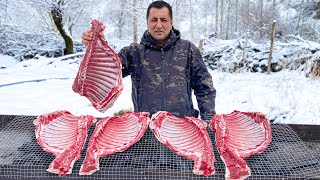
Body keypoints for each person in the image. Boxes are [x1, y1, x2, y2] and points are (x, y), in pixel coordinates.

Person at [82, 0, 216, 120]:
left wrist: (208, 120)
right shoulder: (133, 52)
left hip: (182, 127)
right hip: (146, 129)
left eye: (163, 20)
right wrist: (98, 45)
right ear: (147, 22)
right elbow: (107, 72)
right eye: (154, 20)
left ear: (171, 22)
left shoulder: (188, 50)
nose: (159, 25)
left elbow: (204, 87)